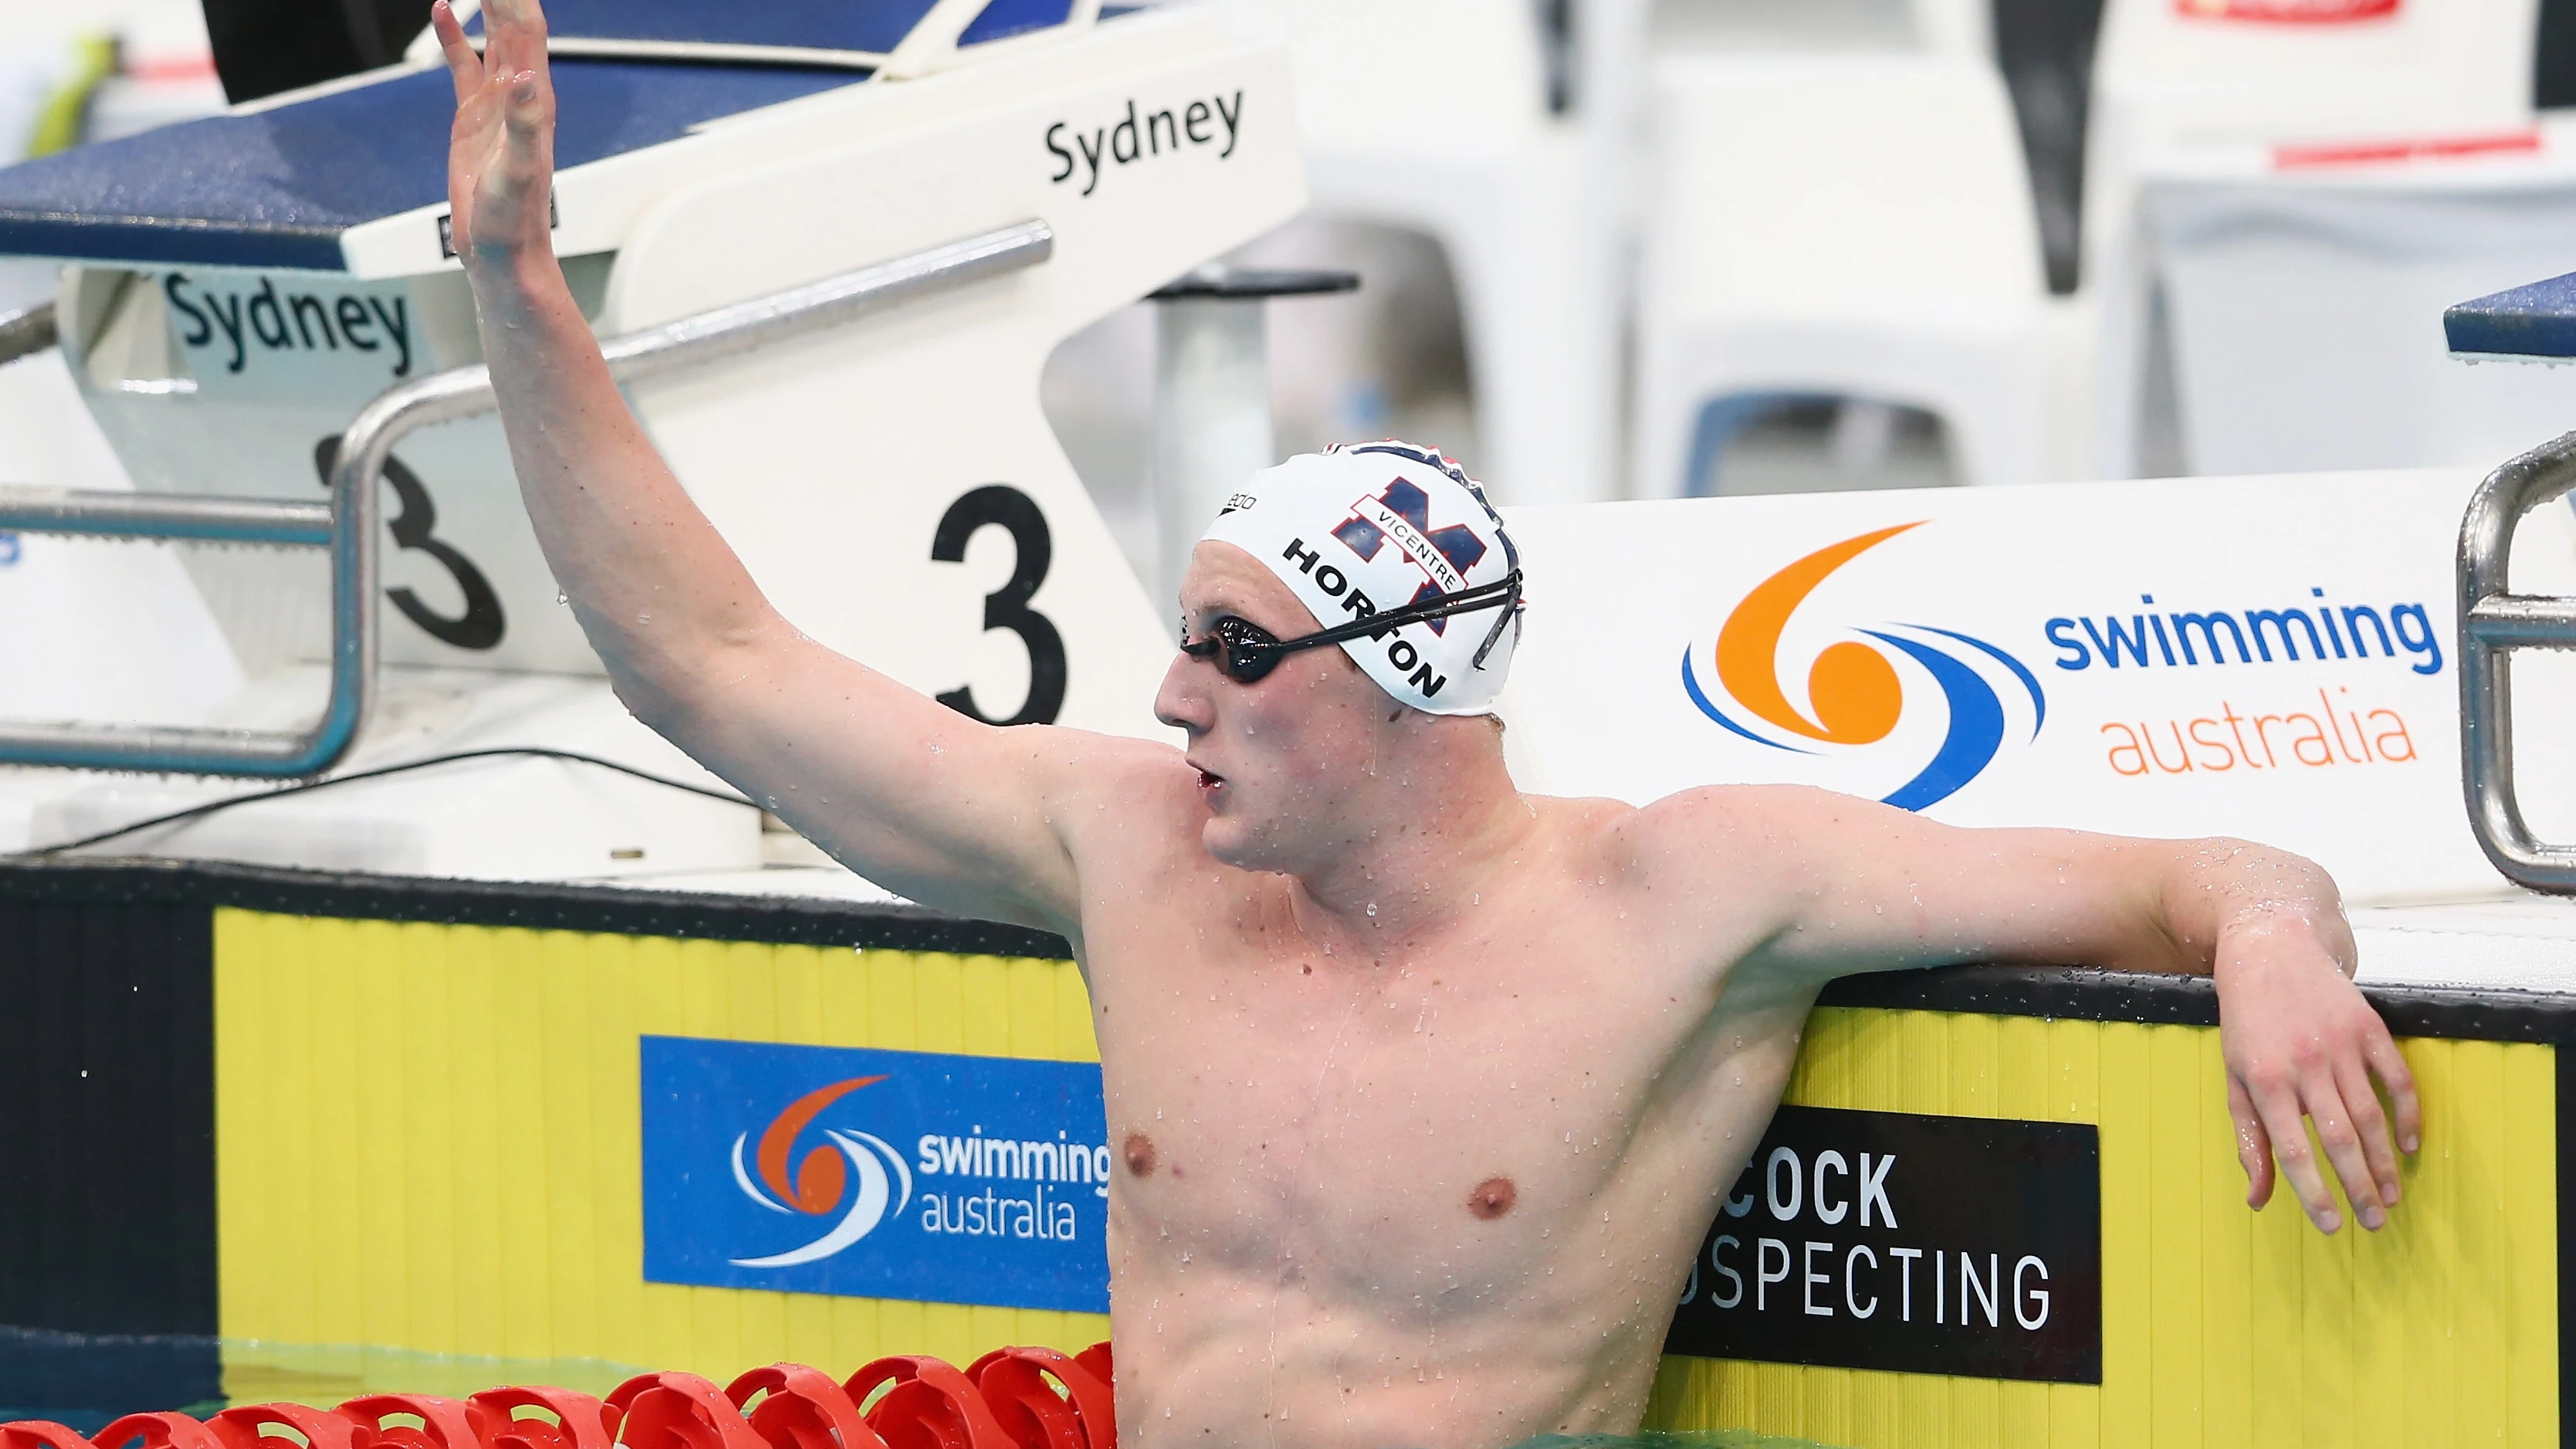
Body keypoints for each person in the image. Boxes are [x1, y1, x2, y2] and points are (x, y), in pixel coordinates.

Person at [434, 3, 2419, 1442]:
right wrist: (522, 286)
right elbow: (710, 658)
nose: (1165, 685)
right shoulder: (1121, 846)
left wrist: (2265, 945)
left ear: (1402, 688)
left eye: (1229, 642)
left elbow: (2219, 866)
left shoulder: (1686, 895)